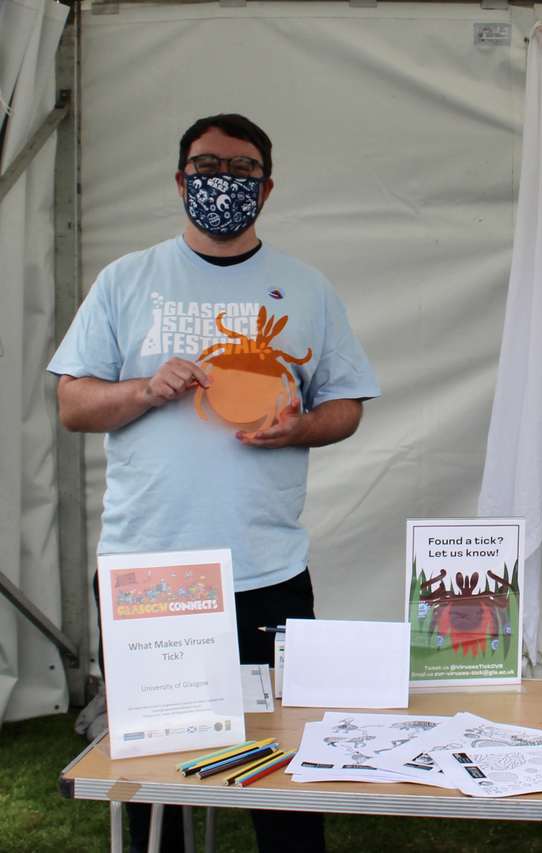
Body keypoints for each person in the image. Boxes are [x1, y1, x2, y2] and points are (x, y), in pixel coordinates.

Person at [49, 113, 380, 853]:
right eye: (205, 167)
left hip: (265, 563)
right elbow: (73, 403)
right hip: (149, 567)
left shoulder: (307, 288)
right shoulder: (126, 280)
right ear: (178, 180)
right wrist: (144, 388)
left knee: (282, 757)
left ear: (265, 188)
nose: (221, 182)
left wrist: (301, 426)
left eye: (239, 169)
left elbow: (347, 406)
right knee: (156, 770)